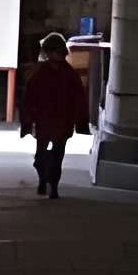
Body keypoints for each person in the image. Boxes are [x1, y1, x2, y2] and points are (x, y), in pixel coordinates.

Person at [20, 33, 89, 199]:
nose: (57, 55)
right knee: (40, 157)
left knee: (57, 156)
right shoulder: (39, 74)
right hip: (44, 120)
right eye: (53, 52)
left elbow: (78, 99)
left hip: (63, 121)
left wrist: (80, 121)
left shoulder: (69, 74)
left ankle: (54, 186)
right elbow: (29, 99)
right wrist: (28, 121)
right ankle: (43, 180)